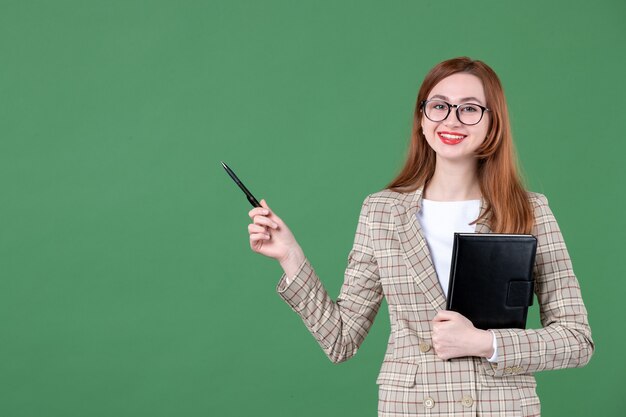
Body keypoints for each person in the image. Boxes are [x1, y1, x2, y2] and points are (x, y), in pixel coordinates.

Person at [246, 57, 594, 417]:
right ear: (422, 118)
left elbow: (577, 340)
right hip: (412, 408)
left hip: (500, 408)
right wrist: (290, 255)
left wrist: (483, 342)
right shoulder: (382, 211)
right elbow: (341, 340)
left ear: (493, 124)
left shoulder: (528, 211)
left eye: (470, 109)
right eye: (439, 106)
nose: (451, 120)